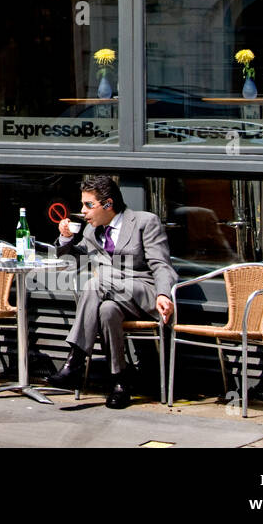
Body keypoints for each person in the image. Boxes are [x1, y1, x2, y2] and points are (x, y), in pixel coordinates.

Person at [45, 175, 177, 409]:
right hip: (111, 297)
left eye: (88, 205)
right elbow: (72, 263)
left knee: (96, 282)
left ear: (108, 204)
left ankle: (75, 362)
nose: (83, 211)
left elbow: (161, 264)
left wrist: (164, 294)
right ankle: (119, 383)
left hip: (142, 291)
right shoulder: (90, 231)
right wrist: (65, 238)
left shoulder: (145, 222)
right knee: (106, 311)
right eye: (82, 205)